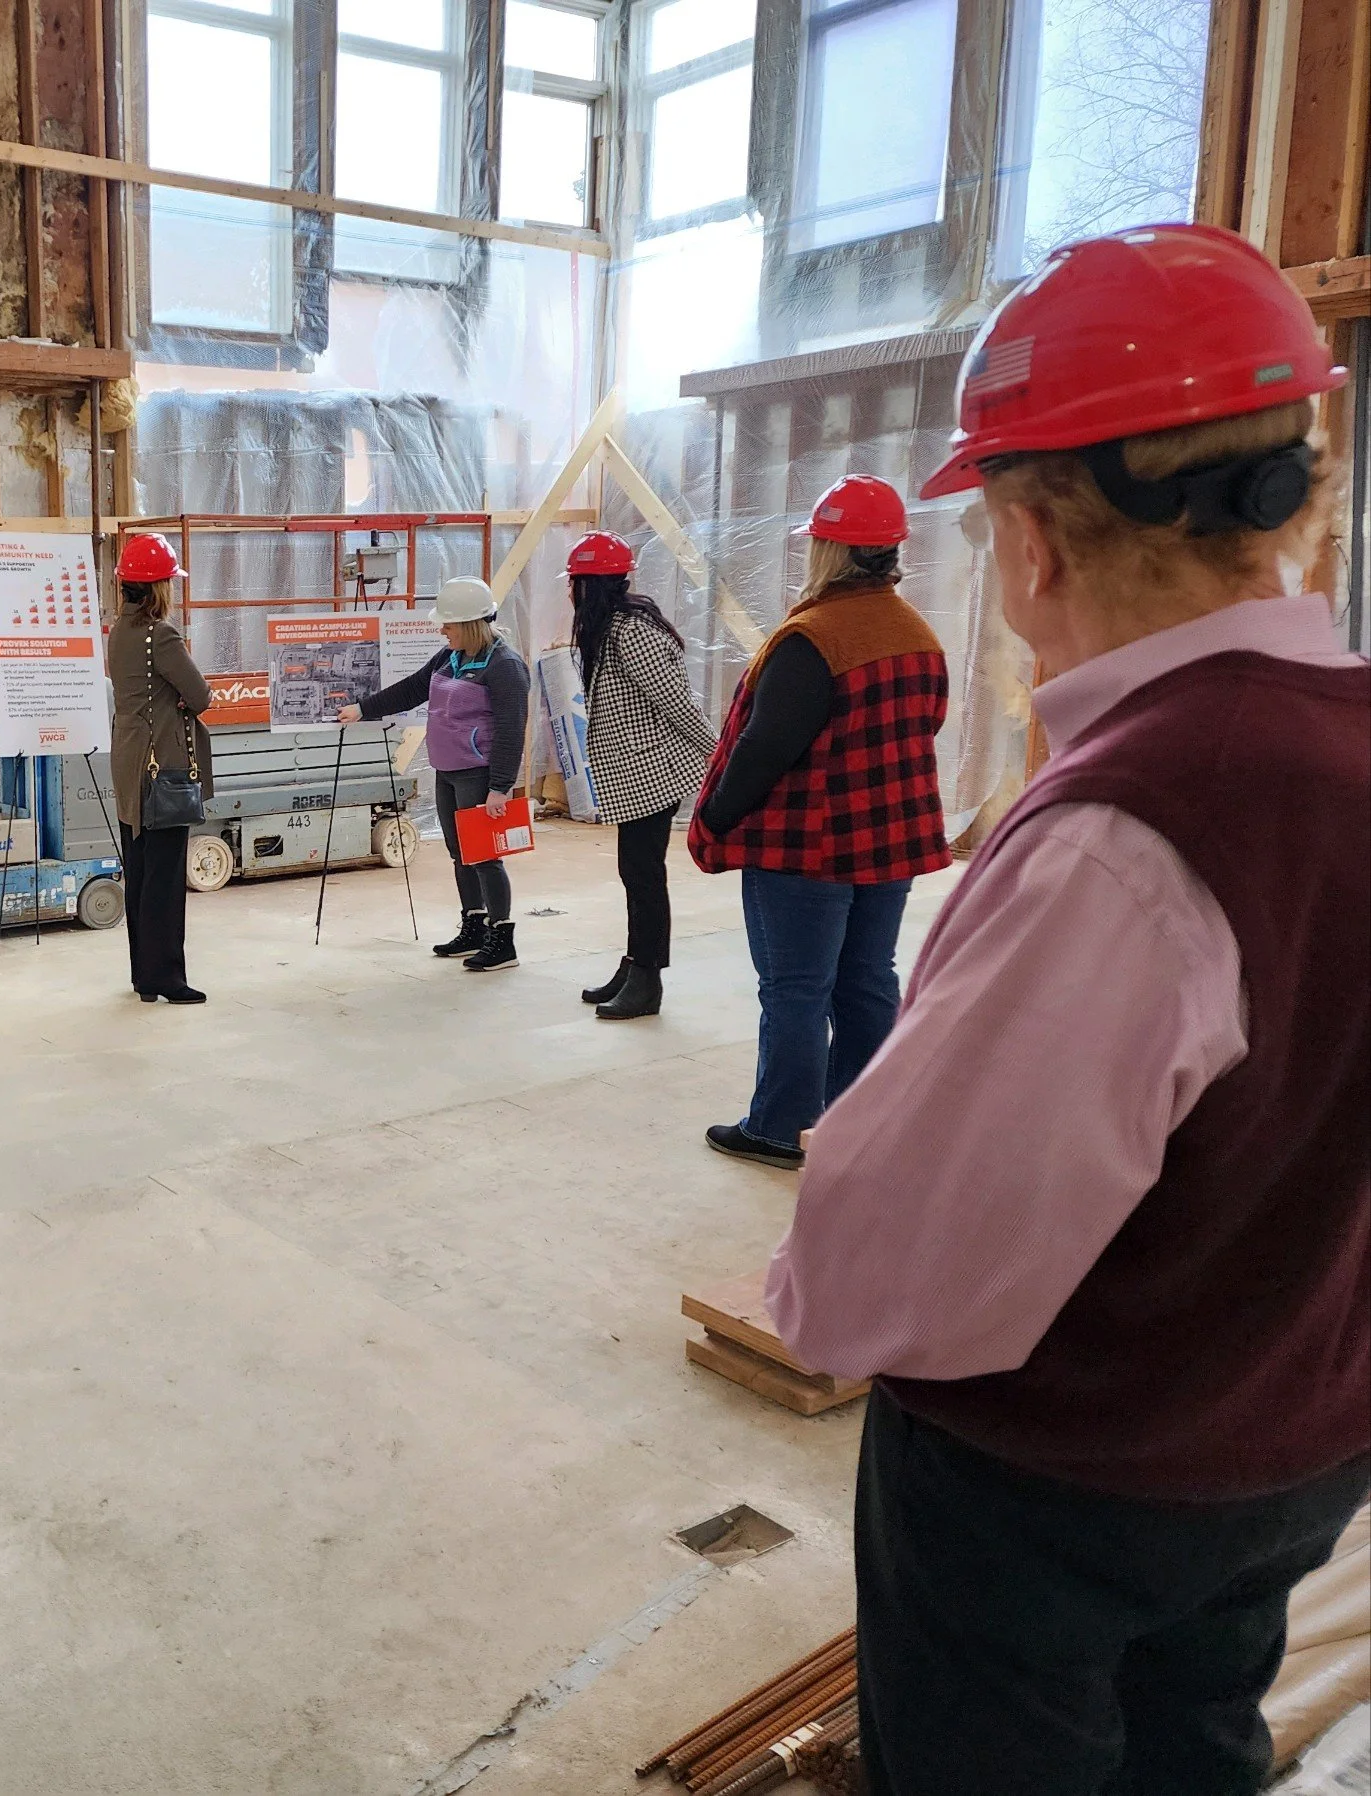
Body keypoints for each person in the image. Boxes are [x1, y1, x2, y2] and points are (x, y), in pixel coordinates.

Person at [767, 223, 1367, 1795]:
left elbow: (883, 1276)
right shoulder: (1339, 749)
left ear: (1031, 542)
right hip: (1295, 1443)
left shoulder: (1129, 832)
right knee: (1196, 1738)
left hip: (1066, 1492)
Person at [686, 475, 950, 1168]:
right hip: (888, 844)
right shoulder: (915, 632)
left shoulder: (812, 637)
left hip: (807, 851)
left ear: (827, 549)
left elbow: (764, 747)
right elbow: (924, 725)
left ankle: (779, 1126)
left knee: (796, 988)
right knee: (867, 979)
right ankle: (862, 1121)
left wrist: (713, 817)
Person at [342, 575, 531, 973]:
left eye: (447, 623)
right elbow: (413, 689)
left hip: (480, 776)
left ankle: (503, 939)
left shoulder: (506, 666)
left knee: (485, 857)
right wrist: (363, 709)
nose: (441, 629)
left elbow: (513, 731)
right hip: (448, 771)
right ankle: (474, 924)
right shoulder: (451, 657)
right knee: (459, 853)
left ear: (468, 624)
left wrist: (501, 788)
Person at [565, 530, 716, 1021]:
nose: (569, 590)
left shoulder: (632, 632)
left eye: (575, 581)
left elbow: (677, 705)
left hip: (653, 772)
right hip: (634, 773)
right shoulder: (607, 628)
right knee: (636, 872)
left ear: (590, 586)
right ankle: (634, 965)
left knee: (644, 875)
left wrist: (722, 754)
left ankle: (647, 980)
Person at [106, 530, 214, 1004]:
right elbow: (201, 696)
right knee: (167, 877)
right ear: (159, 587)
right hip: (162, 767)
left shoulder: (118, 631)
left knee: (142, 872)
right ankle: (167, 977)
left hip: (129, 762)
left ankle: (143, 975)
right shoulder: (162, 635)